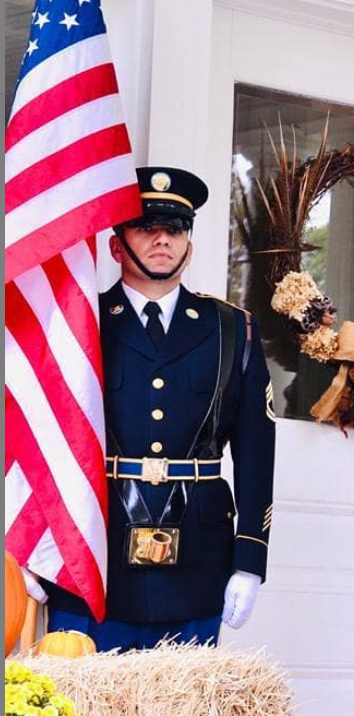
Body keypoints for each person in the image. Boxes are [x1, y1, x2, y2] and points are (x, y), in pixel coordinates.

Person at [29, 166, 276, 651]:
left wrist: (250, 559)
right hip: (92, 553)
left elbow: (256, 455)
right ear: (116, 245)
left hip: (198, 558)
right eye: (146, 227)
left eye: (176, 229)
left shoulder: (232, 329)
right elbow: (43, 439)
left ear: (190, 245)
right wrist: (37, 541)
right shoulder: (79, 326)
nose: (162, 238)